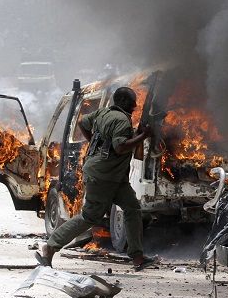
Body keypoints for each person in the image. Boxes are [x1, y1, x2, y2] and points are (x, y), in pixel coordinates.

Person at [36, 86, 157, 271]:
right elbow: (120, 147)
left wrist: (94, 141)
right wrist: (143, 136)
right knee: (90, 217)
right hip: (103, 176)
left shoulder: (103, 112)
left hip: (115, 177)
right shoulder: (121, 120)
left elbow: (83, 123)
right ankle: (50, 247)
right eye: (132, 102)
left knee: (132, 208)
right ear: (123, 101)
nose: (135, 106)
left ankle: (137, 258)